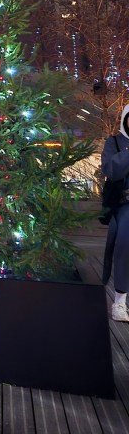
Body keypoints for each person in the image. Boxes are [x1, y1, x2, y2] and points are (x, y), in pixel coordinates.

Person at [102, 104, 129, 320]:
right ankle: (120, 300)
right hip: (124, 204)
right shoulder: (114, 143)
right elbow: (111, 170)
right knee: (125, 239)